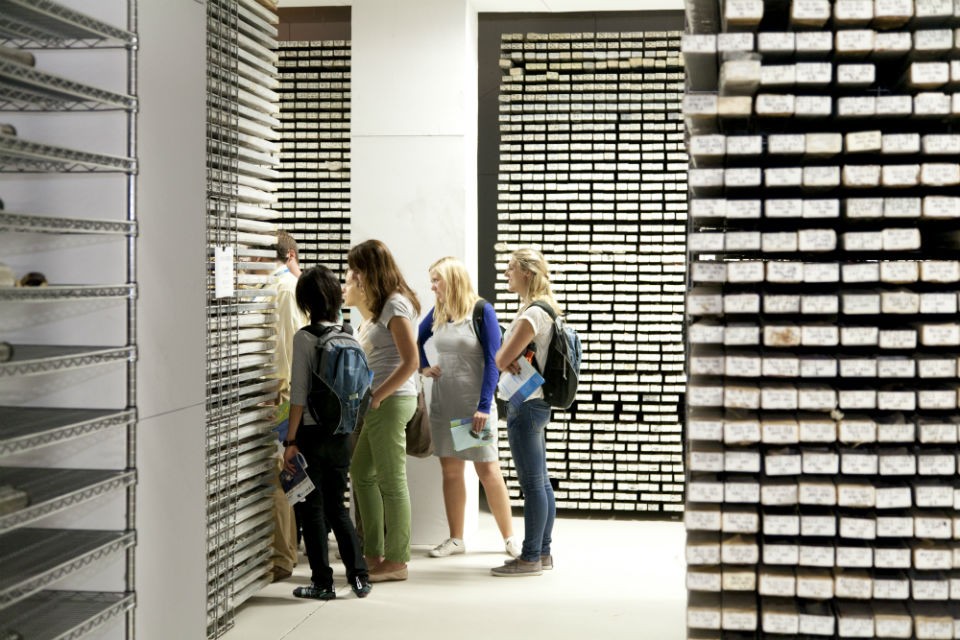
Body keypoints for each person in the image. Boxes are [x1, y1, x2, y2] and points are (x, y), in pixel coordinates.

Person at [416, 257, 520, 559]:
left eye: (437, 280)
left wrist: (484, 406)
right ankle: (456, 539)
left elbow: (494, 361)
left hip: (472, 406)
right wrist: (423, 367)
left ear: (452, 279)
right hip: (444, 403)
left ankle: (510, 538)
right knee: (451, 470)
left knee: (487, 469)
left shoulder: (481, 311)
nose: (432, 286)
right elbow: (416, 340)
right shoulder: (439, 312)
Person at [283, 266, 371, 600]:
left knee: (312, 510)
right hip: (341, 434)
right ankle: (360, 578)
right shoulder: (350, 333)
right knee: (338, 507)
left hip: (310, 433)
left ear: (305, 301)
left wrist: (290, 441)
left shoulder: (304, 338)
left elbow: (298, 394)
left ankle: (322, 583)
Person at [345, 239, 420, 583]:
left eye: (356, 269)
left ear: (369, 269)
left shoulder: (395, 305)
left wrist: (377, 395)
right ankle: (373, 552)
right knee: (361, 473)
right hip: (381, 401)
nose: (353, 275)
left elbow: (411, 362)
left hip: (391, 401)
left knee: (392, 481)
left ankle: (397, 560)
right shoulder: (382, 307)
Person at [490, 248, 558, 577]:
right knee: (540, 482)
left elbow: (501, 360)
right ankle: (542, 553)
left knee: (532, 484)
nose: (506, 275)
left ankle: (530, 557)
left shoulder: (532, 314)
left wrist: (505, 353)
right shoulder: (541, 310)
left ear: (526, 273)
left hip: (526, 403)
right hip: (535, 401)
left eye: (510, 269)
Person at [267, 230, 307, 582]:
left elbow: (288, 350)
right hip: (284, 393)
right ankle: (285, 553)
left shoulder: (280, 289)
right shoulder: (288, 289)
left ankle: (283, 556)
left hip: (278, 394)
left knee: (280, 473)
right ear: (291, 255)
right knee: (286, 472)